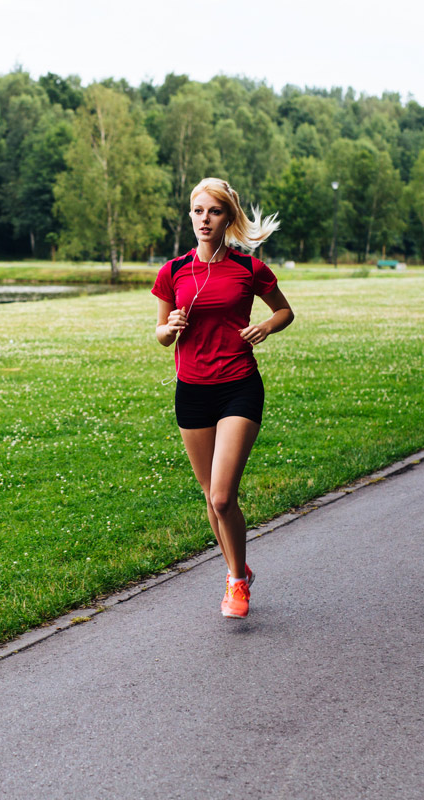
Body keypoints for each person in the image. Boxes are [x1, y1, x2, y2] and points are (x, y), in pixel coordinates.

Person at [152, 177, 294, 619]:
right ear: (190, 216)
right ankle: (240, 568)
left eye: (214, 212)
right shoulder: (173, 271)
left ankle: (235, 583)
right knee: (210, 496)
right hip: (192, 391)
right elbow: (159, 336)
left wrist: (266, 327)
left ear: (228, 217)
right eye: (198, 211)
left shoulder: (249, 269)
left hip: (238, 385)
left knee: (220, 497)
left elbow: (284, 310)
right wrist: (169, 327)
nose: (204, 220)